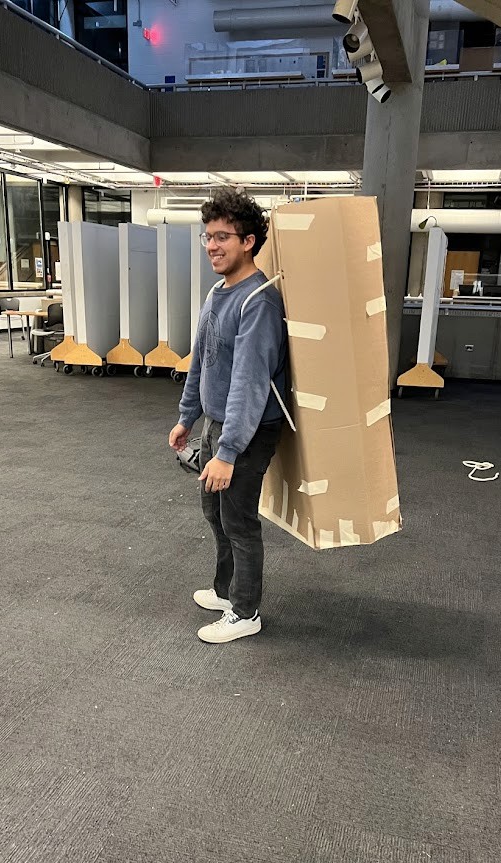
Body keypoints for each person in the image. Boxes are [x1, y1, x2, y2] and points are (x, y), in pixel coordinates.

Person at [169, 188, 288, 644]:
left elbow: (249, 383)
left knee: (238, 519)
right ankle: (226, 590)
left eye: (223, 237)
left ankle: (246, 611)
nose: (213, 246)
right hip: (218, 422)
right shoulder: (218, 292)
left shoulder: (258, 301)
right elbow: (204, 359)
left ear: (249, 242)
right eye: (207, 237)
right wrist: (187, 417)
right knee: (214, 512)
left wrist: (229, 451)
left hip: (252, 427)